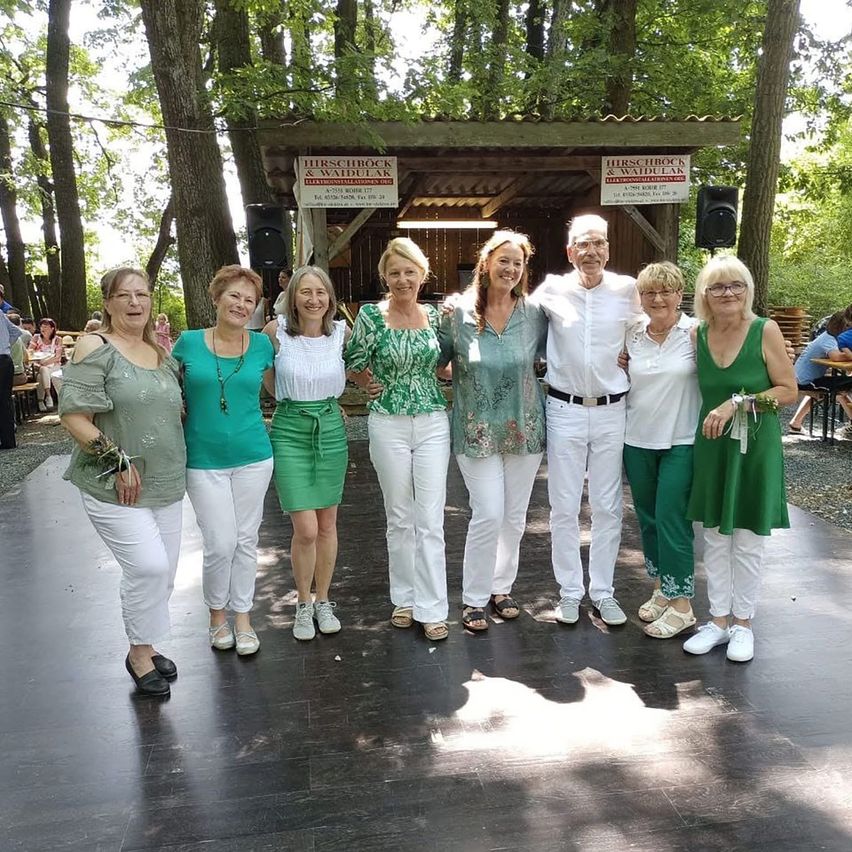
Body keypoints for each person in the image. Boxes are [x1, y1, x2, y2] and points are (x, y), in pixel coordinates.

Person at [59, 267, 185, 696]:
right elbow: (74, 416)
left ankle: (147, 645)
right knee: (147, 566)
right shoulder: (96, 347)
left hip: (165, 481)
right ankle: (137, 654)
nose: (135, 302)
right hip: (116, 485)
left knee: (163, 572)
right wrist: (117, 460)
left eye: (142, 294)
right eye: (124, 295)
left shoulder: (160, 352)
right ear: (108, 302)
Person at [528, 213, 643, 627]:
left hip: (614, 409)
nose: (591, 251)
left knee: (608, 506)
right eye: (583, 244)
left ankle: (604, 591)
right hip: (564, 410)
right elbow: (509, 314)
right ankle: (570, 592)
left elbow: (658, 329)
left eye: (599, 243)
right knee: (563, 505)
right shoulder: (552, 290)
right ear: (569, 251)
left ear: (608, 248)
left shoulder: (629, 290)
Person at [684, 256, 797, 663]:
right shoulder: (697, 333)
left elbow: (788, 390)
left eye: (736, 285)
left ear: (747, 290)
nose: (728, 293)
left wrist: (739, 402)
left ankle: (743, 624)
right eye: (717, 287)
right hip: (713, 445)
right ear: (704, 295)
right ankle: (716, 621)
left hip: (753, 447)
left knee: (747, 539)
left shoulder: (764, 330)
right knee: (714, 535)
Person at [438, 231, 547, 631]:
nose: (511, 269)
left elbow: (562, 352)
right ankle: (473, 598)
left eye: (518, 263)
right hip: (476, 429)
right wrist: (468, 378)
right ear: (486, 263)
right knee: (487, 512)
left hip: (525, 427)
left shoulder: (534, 313)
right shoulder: (457, 313)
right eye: (504, 260)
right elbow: (438, 362)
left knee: (514, 517)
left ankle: (501, 588)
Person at [346, 237, 451, 641]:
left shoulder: (437, 316)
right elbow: (353, 360)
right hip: (387, 420)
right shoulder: (371, 316)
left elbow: (446, 362)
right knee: (399, 515)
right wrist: (367, 383)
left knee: (430, 516)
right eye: (394, 272)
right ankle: (404, 599)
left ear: (422, 275)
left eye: (410, 271)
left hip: (431, 421)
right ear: (384, 277)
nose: (402, 279)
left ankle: (432, 606)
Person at [173, 265, 275, 656]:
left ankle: (244, 617)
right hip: (203, 459)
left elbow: (283, 387)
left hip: (254, 455)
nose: (241, 304)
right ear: (216, 298)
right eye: (234, 296)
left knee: (247, 540)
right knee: (220, 541)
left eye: (249, 300)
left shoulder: (263, 346)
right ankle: (217, 616)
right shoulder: (187, 343)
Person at [263, 266, 349, 642]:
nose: (314, 300)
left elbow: (364, 369)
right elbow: (267, 379)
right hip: (290, 429)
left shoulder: (342, 334)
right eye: (306, 292)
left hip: (330, 428)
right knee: (306, 528)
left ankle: (324, 600)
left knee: (328, 525)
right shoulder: (274, 333)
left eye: (321, 292)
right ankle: (302, 602)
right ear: (293, 296)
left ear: (329, 298)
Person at [622, 262, 700, 639]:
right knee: (648, 519)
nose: (658, 298)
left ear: (679, 294)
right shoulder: (633, 335)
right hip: (637, 440)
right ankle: (661, 588)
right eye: (650, 292)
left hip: (681, 441)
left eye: (666, 291)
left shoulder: (695, 333)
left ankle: (682, 604)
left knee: (672, 518)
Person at [788, 310, 852, 434]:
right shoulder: (828, 339)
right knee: (842, 387)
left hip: (802, 377)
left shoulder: (828, 337)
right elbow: (836, 357)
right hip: (806, 380)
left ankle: (796, 423)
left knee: (841, 385)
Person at [28, 318, 64, 411]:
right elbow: (29, 353)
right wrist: (37, 361)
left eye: (46, 327)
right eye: (42, 327)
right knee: (43, 370)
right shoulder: (36, 338)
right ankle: (48, 396)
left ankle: (41, 400)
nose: (43, 329)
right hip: (39, 365)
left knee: (41, 376)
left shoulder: (58, 340)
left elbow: (58, 357)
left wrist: (45, 362)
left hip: (53, 365)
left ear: (52, 329)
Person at [0, 312, 23, 449]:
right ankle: (9, 441)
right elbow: (15, 331)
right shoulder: (1, 314)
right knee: (5, 400)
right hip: (5, 359)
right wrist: (5, 345)